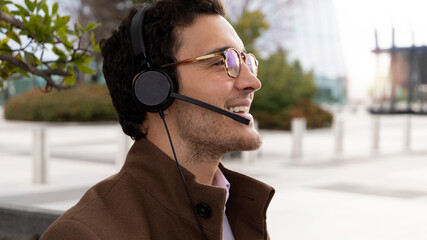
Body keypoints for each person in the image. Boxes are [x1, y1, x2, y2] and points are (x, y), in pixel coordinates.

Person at [41, 0, 274, 239]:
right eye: (222, 61)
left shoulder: (238, 209)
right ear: (154, 89)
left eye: (246, 61)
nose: (253, 83)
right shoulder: (84, 234)